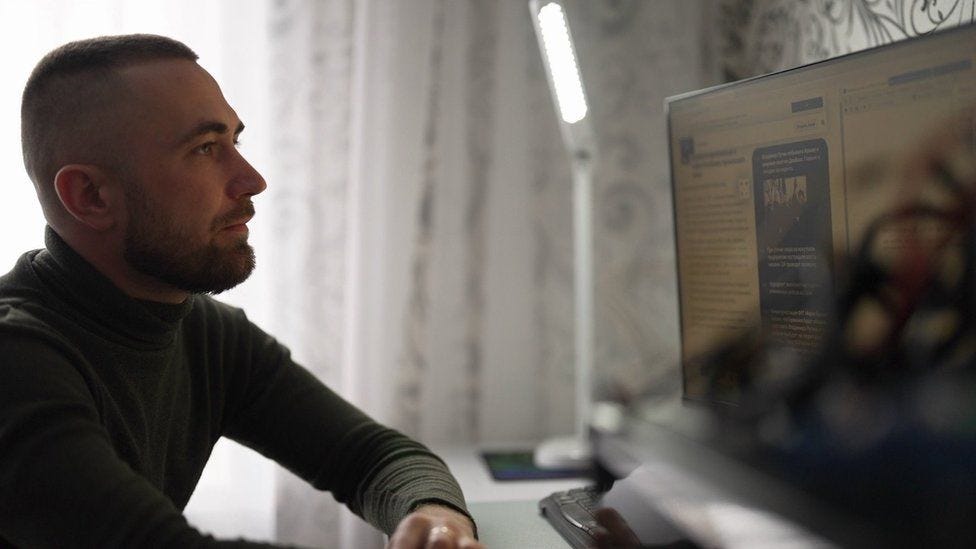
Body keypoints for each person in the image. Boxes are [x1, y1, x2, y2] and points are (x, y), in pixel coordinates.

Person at [0, 34, 483, 549]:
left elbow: (373, 457)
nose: (252, 180)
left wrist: (436, 521)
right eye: (205, 149)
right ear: (90, 196)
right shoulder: (16, 357)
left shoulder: (207, 333)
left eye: (236, 141)